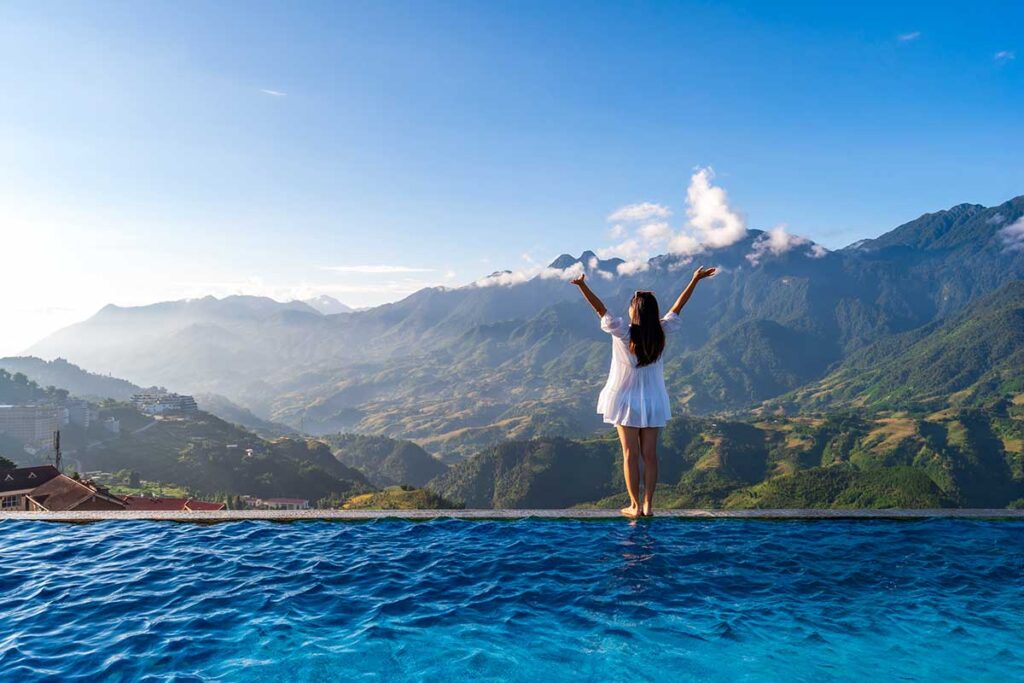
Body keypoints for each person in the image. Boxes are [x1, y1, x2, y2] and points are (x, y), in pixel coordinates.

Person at [570, 265, 716, 518]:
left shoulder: (622, 331)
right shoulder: (661, 332)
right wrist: (695, 280)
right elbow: (678, 307)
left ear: (633, 311)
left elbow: (599, 309)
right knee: (650, 455)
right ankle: (649, 505)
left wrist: (583, 286)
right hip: (653, 400)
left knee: (630, 454)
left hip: (625, 401)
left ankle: (634, 506)